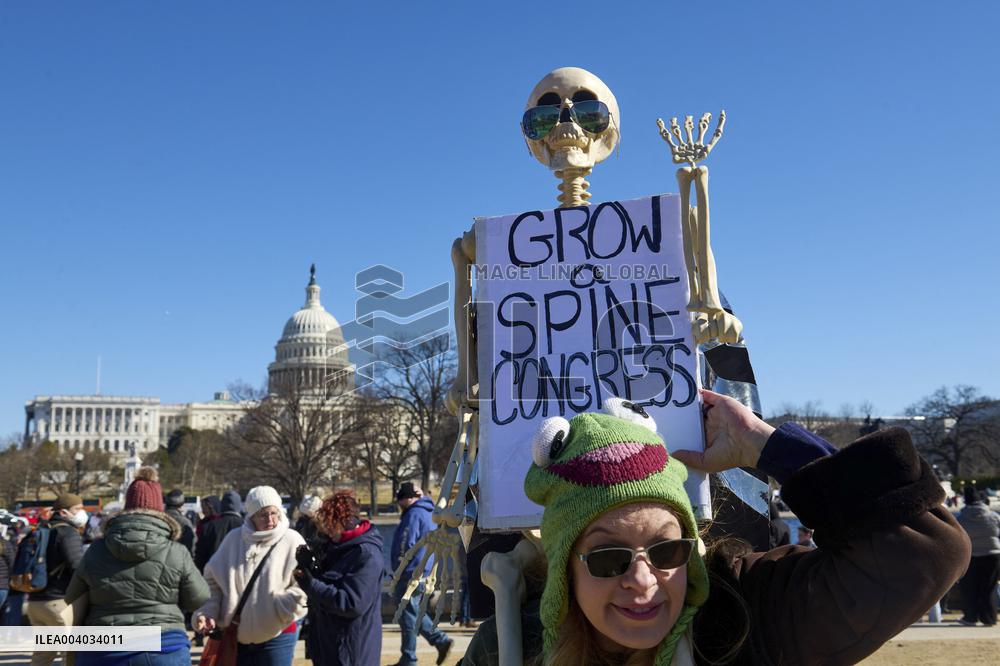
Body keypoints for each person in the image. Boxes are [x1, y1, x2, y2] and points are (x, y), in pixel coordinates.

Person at [462, 390, 971, 665]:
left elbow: (924, 553)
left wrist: (770, 448)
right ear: (563, 564)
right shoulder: (511, 643)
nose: (642, 582)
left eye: (666, 552)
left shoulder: (746, 616)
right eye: (608, 557)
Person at [65, 467, 210, 665]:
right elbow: (198, 599)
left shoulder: (96, 550)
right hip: (163, 646)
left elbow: (71, 597)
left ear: (126, 506)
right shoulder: (176, 551)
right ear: (159, 508)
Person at [194, 486, 307, 666]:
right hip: (238, 636)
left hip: (279, 634)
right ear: (251, 516)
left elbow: (306, 584)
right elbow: (212, 583)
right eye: (262, 515)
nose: (270, 520)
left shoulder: (293, 540)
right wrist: (208, 612)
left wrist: (280, 607)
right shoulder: (233, 539)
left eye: (274, 513)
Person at [293, 490, 384, 665]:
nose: (327, 530)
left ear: (346, 522)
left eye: (330, 524)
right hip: (329, 646)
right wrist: (310, 569)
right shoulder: (337, 547)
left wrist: (311, 585)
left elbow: (352, 603)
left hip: (351, 652)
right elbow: (329, 583)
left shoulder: (366, 554)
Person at [390, 482, 453, 666]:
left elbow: (405, 544)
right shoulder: (428, 512)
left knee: (407, 615)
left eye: (401, 501)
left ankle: (410, 658)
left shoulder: (413, 514)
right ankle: (438, 641)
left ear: (408, 498)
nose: (400, 505)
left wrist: (399, 569)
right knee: (412, 612)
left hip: (410, 572)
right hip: (425, 570)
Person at [26, 492, 86, 666]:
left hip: (36, 602)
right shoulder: (67, 533)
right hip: (58, 603)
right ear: (64, 512)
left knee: (42, 656)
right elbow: (77, 566)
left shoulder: (40, 529)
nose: (82, 513)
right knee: (71, 655)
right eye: (78, 509)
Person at [956, 486, 1000, 626]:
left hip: (971, 556)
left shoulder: (961, 517)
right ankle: (989, 618)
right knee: (988, 588)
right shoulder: (994, 516)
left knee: (970, 588)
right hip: (992, 555)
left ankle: (970, 617)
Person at [195, 489, 242, 572]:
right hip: (239, 572)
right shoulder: (246, 526)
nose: (203, 510)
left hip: (213, 574)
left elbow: (200, 556)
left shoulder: (209, 526)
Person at [164, 489, 196, 554]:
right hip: (179, 559)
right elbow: (191, 546)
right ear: (181, 504)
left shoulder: (158, 518)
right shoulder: (185, 522)